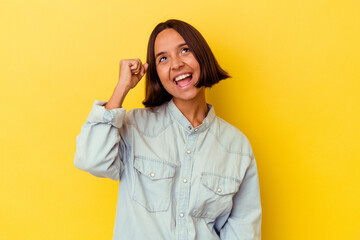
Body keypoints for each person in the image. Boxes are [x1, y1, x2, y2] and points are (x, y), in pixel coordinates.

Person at [74, 19, 262, 240]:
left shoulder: (237, 147)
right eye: (163, 58)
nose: (176, 64)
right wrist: (122, 88)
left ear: (202, 56)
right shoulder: (135, 127)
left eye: (185, 50)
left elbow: (243, 231)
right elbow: (91, 160)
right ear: (157, 72)